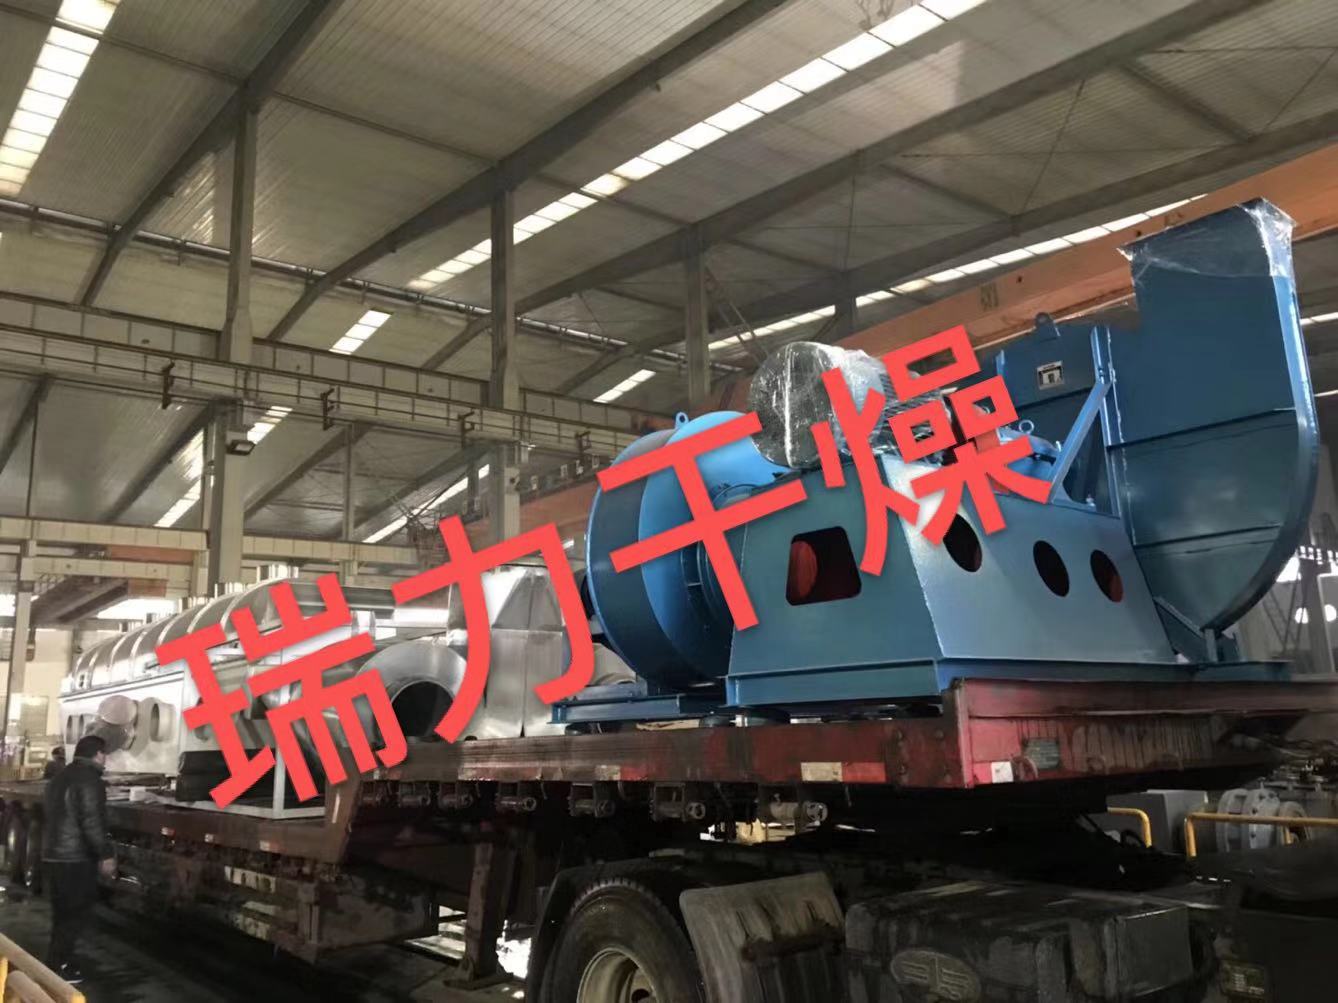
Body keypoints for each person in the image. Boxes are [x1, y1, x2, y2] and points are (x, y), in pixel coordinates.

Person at [42, 734, 116, 983]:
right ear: (98, 754)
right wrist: (105, 854)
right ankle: (58, 967)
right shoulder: (90, 781)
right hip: (75, 859)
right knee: (73, 915)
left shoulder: (59, 778)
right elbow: (92, 822)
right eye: (104, 754)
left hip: (54, 854)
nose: (105, 759)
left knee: (61, 914)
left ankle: (56, 962)